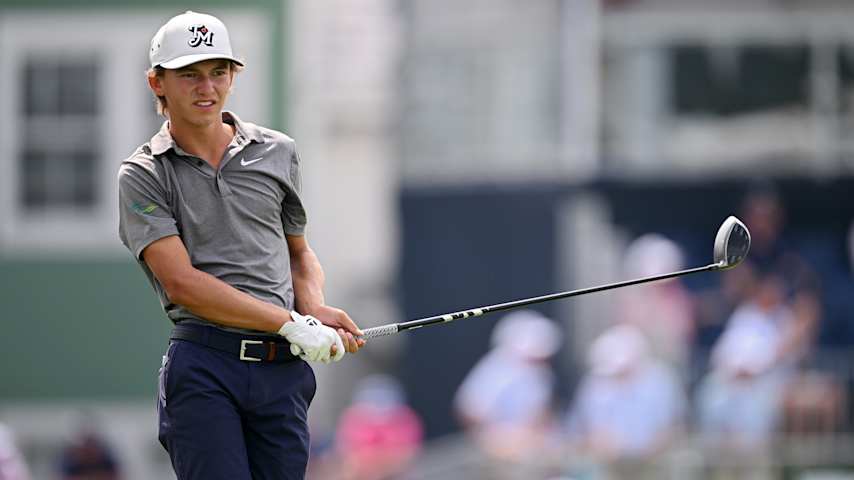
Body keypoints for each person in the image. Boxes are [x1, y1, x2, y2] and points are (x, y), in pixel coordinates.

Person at [118, 11, 364, 480]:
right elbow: (182, 283)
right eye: (189, 74)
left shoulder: (278, 151)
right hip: (205, 367)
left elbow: (297, 252)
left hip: (282, 372)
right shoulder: (144, 174)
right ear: (157, 83)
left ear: (234, 76)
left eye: (219, 72)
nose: (206, 87)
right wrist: (291, 322)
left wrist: (312, 308)